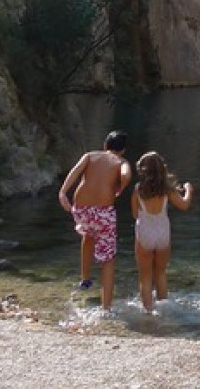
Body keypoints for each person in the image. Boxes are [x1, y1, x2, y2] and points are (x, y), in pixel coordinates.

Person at [58, 130, 132, 310]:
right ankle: (106, 307)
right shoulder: (121, 161)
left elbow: (74, 173)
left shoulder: (89, 156)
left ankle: (85, 279)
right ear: (123, 150)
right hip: (102, 212)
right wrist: (120, 187)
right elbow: (126, 175)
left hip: (81, 209)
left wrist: (62, 193)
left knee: (88, 235)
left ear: (105, 145)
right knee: (108, 259)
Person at [131, 151, 193, 312]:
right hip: (163, 232)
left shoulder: (138, 190)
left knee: (145, 276)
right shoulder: (168, 190)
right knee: (160, 272)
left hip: (145, 231)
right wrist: (188, 190)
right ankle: (164, 309)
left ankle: (148, 311)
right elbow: (184, 205)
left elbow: (135, 214)